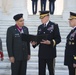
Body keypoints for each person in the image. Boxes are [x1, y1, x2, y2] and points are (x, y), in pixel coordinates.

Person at [31, 11, 61, 75]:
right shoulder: (40, 27)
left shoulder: (54, 26)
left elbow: (58, 39)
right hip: (42, 53)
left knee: (51, 71)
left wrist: (50, 42)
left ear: (47, 17)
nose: (41, 20)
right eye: (40, 18)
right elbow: (38, 39)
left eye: (42, 18)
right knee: (41, 71)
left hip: (50, 53)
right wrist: (34, 43)